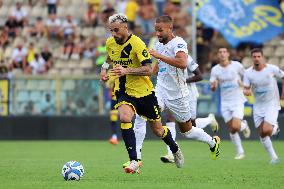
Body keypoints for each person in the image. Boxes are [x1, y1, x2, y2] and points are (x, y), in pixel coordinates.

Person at [124, 15, 221, 167]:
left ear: (170, 29)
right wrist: (129, 70)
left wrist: (159, 55)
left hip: (178, 95)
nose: (157, 34)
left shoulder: (179, 43)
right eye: (156, 30)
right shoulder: (158, 44)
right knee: (141, 116)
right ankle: (136, 159)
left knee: (187, 131)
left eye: (160, 30)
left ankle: (212, 142)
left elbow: (182, 63)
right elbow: (153, 70)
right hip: (160, 91)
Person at [100, 13, 183, 174]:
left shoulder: (137, 43)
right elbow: (109, 56)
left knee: (158, 131)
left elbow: (148, 70)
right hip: (123, 90)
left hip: (144, 93)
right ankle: (134, 160)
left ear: (125, 27)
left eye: (116, 30)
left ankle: (175, 148)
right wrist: (104, 68)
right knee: (124, 117)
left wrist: (126, 70)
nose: (113, 34)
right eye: (111, 31)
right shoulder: (111, 42)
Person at [210, 47, 251, 160]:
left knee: (236, 126)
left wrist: (245, 86)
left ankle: (244, 125)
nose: (222, 54)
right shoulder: (215, 70)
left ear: (228, 54)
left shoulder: (237, 65)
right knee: (232, 129)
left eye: (224, 52)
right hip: (225, 103)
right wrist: (214, 86)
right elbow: (212, 86)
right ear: (218, 55)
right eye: (220, 52)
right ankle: (240, 152)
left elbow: (247, 75)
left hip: (237, 100)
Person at [243, 48, 282, 164]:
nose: (256, 59)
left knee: (266, 129)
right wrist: (246, 92)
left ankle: (275, 127)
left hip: (272, 103)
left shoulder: (272, 69)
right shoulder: (248, 73)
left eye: (258, 56)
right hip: (258, 105)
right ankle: (274, 157)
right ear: (251, 58)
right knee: (262, 134)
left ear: (263, 57)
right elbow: (245, 88)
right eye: (254, 57)